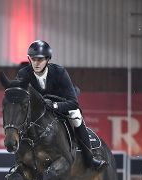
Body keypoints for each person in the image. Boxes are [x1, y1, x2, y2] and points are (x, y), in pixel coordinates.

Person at [16, 40, 107, 170]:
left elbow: (73, 102)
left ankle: (90, 158)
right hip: (38, 110)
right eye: (33, 59)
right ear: (29, 59)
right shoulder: (23, 74)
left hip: (61, 105)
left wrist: (54, 106)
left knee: (76, 116)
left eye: (40, 59)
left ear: (47, 59)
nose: (36, 63)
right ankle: (20, 161)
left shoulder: (59, 72)